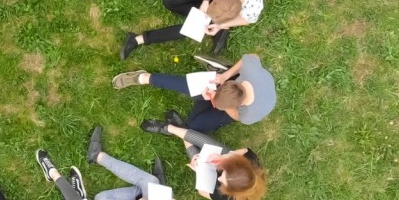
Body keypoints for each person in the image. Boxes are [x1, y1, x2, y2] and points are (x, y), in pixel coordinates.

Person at [121, 0, 263, 58]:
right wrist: (206, 1)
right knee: (170, 2)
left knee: (196, 27)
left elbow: (247, 20)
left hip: (223, 6)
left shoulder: (253, 6)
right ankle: (215, 29)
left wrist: (220, 25)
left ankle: (139, 39)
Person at [111, 53, 276, 133]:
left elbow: (234, 115)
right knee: (190, 86)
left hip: (231, 105)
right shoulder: (251, 70)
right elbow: (252, 56)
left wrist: (219, 104)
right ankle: (145, 77)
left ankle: (204, 97)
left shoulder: (248, 115)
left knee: (194, 125)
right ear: (233, 82)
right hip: (230, 83)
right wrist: (224, 77)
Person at [140, 116, 266, 200]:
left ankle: (182, 129)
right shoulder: (251, 164)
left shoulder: (227, 197)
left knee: (196, 158)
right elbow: (245, 150)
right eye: (224, 175)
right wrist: (226, 157)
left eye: (224, 181)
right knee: (207, 143)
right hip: (228, 159)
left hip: (208, 177)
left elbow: (203, 192)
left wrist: (199, 170)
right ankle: (169, 128)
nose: (220, 179)